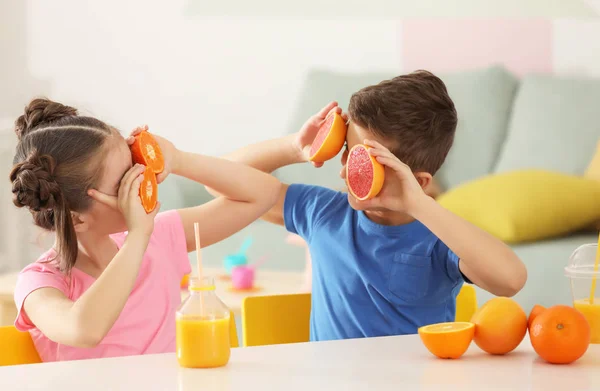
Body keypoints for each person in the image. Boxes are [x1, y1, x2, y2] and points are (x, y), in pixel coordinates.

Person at [207, 71, 527, 341]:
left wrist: (421, 205)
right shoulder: (322, 212)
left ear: (419, 181)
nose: (347, 170)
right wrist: (294, 147)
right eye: (348, 151)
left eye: (369, 163)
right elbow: (217, 181)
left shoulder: (441, 236)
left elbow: (511, 281)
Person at [10, 98, 281, 361]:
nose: (143, 181)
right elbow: (83, 330)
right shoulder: (40, 283)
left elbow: (263, 194)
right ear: (77, 219)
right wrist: (138, 236)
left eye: (136, 166)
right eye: (124, 183)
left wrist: (177, 159)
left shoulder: (158, 238)